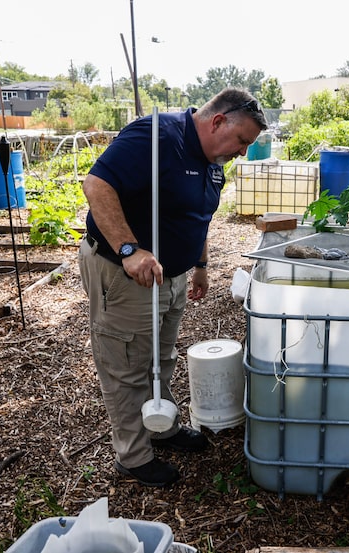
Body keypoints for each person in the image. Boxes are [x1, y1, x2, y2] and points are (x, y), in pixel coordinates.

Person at [78, 88, 268, 487]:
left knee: (160, 359)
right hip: (125, 272)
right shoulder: (156, 137)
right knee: (126, 366)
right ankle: (133, 454)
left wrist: (199, 264)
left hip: (172, 275)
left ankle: (160, 426)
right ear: (218, 121)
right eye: (242, 141)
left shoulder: (212, 160)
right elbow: (97, 185)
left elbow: (197, 215)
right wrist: (129, 249)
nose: (242, 152)